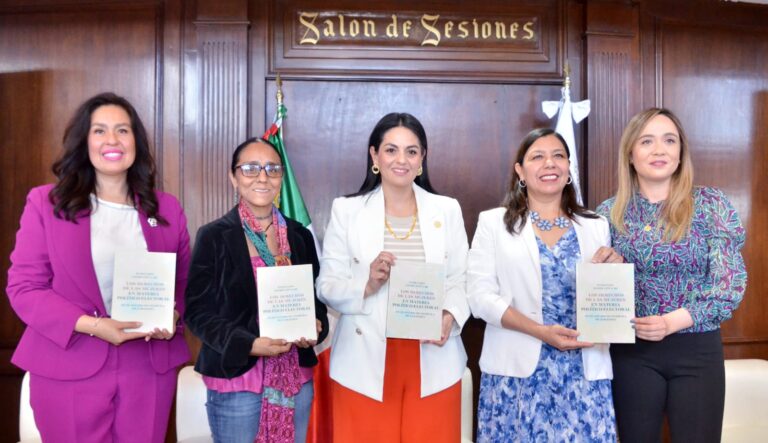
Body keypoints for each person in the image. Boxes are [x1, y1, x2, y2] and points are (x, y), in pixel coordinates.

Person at [6, 92, 190, 442]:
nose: (112, 140)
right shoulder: (47, 204)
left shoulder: (165, 208)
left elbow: (183, 281)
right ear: (84, 141)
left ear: (136, 141)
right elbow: (25, 288)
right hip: (70, 360)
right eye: (100, 130)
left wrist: (174, 315)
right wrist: (93, 325)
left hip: (148, 366)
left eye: (123, 130)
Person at [317, 112, 470, 442]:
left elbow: (462, 279)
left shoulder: (447, 209)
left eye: (412, 151)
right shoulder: (347, 210)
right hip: (364, 359)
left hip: (433, 356)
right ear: (374, 155)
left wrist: (450, 316)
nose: (402, 160)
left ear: (422, 159)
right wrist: (367, 283)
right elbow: (326, 285)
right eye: (391, 150)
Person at [596, 108, 747, 443]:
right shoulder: (606, 214)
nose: (659, 150)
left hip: (697, 350)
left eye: (669, 140)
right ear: (631, 155)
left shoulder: (711, 205)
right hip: (631, 354)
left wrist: (672, 321)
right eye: (647, 141)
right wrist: (607, 267)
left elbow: (729, 285)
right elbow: (598, 291)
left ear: (681, 154)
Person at [468, 128, 622, 442]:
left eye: (558, 156)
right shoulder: (493, 223)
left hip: (584, 373)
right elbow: (479, 297)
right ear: (520, 171)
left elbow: (606, 299)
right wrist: (540, 331)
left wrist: (613, 273)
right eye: (537, 157)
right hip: (516, 377)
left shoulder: (596, 225)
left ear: (568, 170)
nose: (549, 164)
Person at [184, 136, 329, 443]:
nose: (262, 176)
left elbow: (315, 303)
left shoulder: (299, 235)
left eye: (272, 169)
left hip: (294, 380)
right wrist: (249, 344)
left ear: (281, 177)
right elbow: (196, 312)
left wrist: (315, 327)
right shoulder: (214, 236)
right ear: (233, 177)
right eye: (250, 168)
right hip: (238, 377)